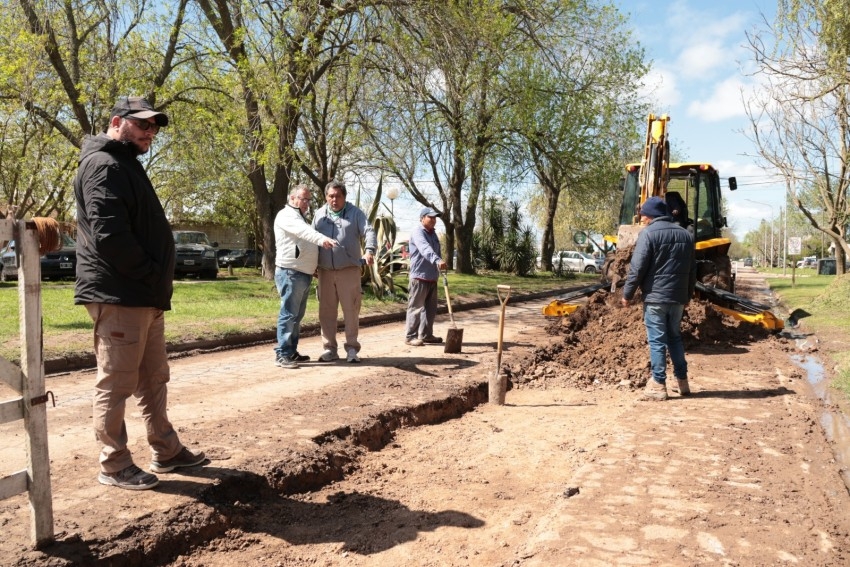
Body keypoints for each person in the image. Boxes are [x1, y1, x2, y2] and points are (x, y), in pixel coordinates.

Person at [74, 96, 206, 490]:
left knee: (152, 378)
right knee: (116, 382)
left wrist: (154, 282)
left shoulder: (124, 163)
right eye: (144, 124)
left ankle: (165, 450)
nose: (151, 132)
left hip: (143, 294)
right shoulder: (102, 165)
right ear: (118, 122)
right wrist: (150, 273)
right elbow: (111, 236)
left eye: (155, 127)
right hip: (120, 294)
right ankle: (113, 464)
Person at [620, 196, 696, 401]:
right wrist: (688, 295)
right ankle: (683, 382)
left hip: (656, 298)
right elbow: (692, 270)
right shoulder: (686, 235)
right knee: (674, 338)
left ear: (652, 215)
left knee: (657, 341)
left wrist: (627, 294)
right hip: (678, 298)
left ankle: (658, 384)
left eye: (644, 215)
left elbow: (637, 269)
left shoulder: (649, 234)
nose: (642, 219)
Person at [312, 180, 377, 363]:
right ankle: (330, 349)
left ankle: (352, 349)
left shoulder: (355, 213)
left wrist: (370, 250)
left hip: (349, 270)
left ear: (344, 197)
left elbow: (369, 231)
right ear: (326, 197)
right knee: (326, 312)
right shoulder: (319, 215)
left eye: (338, 196)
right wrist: (311, 265)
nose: (334, 200)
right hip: (324, 271)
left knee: (351, 311)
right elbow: (311, 238)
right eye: (331, 196)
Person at [273, 185, 338, 369]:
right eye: (304, 199)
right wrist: (322, 240)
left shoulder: (299, 216)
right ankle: (283, 354)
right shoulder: (286, 215)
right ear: (292, 198)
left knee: (296, 316)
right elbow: (304, 233)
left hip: (302, 273)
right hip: (290, 272)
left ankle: (291, 351)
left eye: (309, 200)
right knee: (288, 314)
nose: (307, 203)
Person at [405, 207, 448, 346]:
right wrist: (437, 260)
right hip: (419, 277)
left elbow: (437, 251)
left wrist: (440, 267)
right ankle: (410, 336)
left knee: (430, 309)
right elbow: (425, 249)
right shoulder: (418, 232)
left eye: (435, 218)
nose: (433, 220)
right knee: (415, 308)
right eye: (430, 217)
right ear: (422, 218)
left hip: (431, 276)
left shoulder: (433, 234)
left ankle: (426, 334)